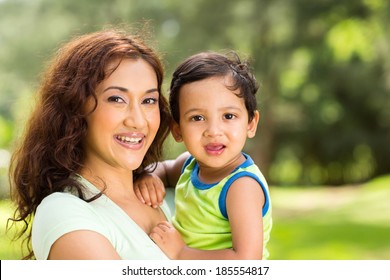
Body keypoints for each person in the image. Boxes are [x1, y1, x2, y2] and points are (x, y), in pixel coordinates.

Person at [8, 27, 172, 260]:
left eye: (149, 100)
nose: (138, 120)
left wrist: (158, 175)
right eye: (117, 99)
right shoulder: (65, 213)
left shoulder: (174, 194)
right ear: (76, 107)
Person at [134, 51, 272, 260]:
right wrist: (149, 176)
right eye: (197, 117)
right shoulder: (189, 166)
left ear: (251, 124)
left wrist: (182, 253)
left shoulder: (241, 186)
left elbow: (246, 260)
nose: (213, 131)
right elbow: (163, 170)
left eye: (228, 116)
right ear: (177, 130)